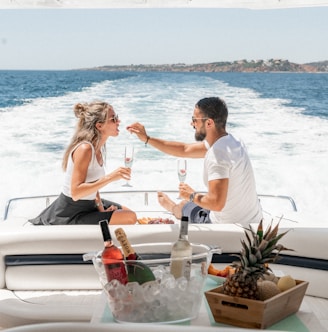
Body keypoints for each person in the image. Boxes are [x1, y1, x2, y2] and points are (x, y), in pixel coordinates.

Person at [127, 97, 262, 226]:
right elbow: (185, 149)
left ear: (209, 123)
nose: (192, 124)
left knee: (185, 205)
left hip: (225, 226)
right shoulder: (232, 142)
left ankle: (173, 208)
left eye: (194, 120)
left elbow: (216, 204)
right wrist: (147, 138)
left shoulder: (217, 155)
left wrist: (191, 195)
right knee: (194, 201)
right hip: (255, 221)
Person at [29, 101, 137, 225]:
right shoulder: (85, 149)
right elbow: (76, 193)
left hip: (89, 204)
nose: (118, 121)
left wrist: (101, 209)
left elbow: (93, 185)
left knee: (127, 212)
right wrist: (110, 178)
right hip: (70, 213)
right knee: (130, 217)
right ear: (99, 125)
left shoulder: (98, 149)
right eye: (114, 119)